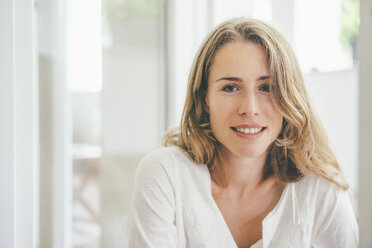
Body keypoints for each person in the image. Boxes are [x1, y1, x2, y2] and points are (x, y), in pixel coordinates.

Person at [129, 18, 359, 248]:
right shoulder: (165, 175)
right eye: (230, 88)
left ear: (289, 96)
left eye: (266, 88)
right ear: (204, 98)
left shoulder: (321, 192)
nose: (249, 108)